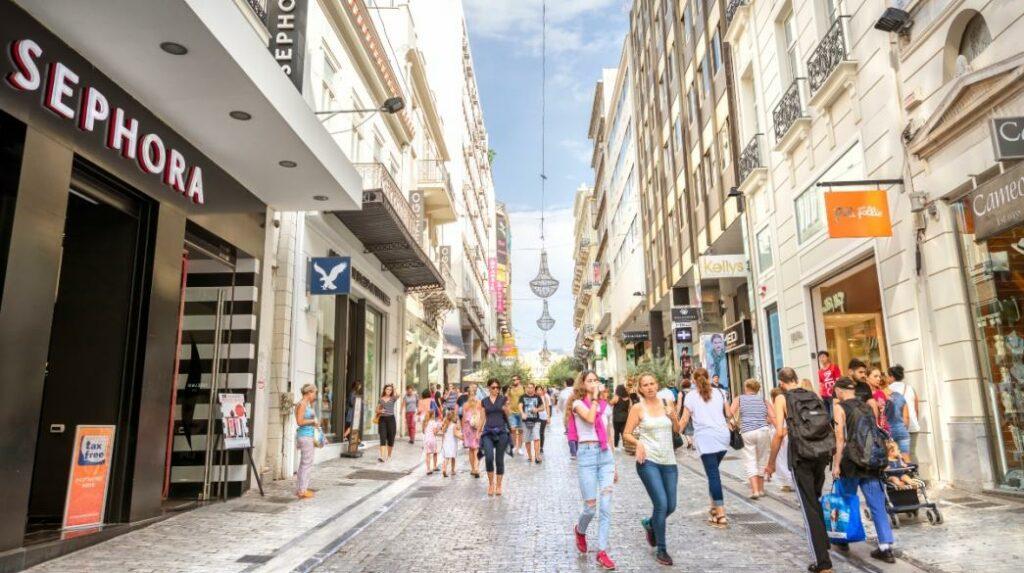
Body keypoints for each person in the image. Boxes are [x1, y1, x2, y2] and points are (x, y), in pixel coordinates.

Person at [765, 367, 836, 573]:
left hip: (801, 456)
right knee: (815, 500)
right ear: (795, 378)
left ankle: (823, 563)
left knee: (808, 508)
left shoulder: (782, 398)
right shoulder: (812, 394)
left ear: (781, 383)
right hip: (820, 454)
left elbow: (779, 433)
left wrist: (771, 462)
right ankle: (824, 543)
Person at [832, 377, 897, 564]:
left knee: (844, 500)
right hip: (870, 461)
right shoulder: (868, 406)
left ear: (840, 390)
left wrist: (836, 464)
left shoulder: (839, 407)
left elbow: (840, 438)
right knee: (877, 505)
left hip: (851, 462)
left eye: (836, 391)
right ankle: (885, 547)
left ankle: (843, 540)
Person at [622, 372, 680, 566]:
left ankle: (650, 523)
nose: (649, 387)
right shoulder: (638, 408)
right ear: (640, 389)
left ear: (657, 385)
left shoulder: (666, 403)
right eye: (645, 385)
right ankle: (662, 549)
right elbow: (627, 433)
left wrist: (674, 417)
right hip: (648, 461)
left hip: (669, 461)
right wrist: (638, 443)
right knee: (661, 504)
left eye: (652, 383)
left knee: (671, 506)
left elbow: (677, 430)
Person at [568, 370, 617, 570]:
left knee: (606, 506)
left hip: (605, 457)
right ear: (582, 384)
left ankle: (602, 552)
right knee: (590, 507)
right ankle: (580, 530)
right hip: (587, 455)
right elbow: (589, 418)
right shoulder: (577, 404)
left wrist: (614, 464)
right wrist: (595, 399)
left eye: (596, 380)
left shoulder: (605, 407)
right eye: (590, 380)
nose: (594, 383)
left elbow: (609, 433)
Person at [678, 367, 731, 528]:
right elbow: (729, 414)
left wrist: (675, 430)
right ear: (708, 378)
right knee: (713, 473)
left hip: (705, 439)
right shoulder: (721, 392)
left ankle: (721, 514)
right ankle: (714, 508)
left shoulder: (691, 396)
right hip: (723, 436)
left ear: (693, 380)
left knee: (713, 475)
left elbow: (684, 420)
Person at [729, 378, 775, 499]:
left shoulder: (739, 399)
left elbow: (729, 414)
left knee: (750, 460)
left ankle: (755, 491)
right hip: (763, 431)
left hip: (747, 432)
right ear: (757, 389)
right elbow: (773, 416)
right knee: (762, 459)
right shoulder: (763, 400)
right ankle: (761, 489)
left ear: (746, 388)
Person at [480, 378, 511, 496]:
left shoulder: (503, 399)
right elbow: (482, 417)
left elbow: (508, 415)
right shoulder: (484, 401)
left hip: (501, 432)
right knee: (488, 457)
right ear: (489, 388)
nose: (496, 390)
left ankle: (498, 485)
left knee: (499, 459)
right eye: (493, 387)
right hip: (488, 432)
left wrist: (506, 409)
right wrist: (478, 431)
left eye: (498, 388)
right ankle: (491, 484)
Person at [295, 383, 320, 499]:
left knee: (303, 464)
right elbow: (299, 422)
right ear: (309, 392)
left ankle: (300, 489)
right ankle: (302, 491)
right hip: (305, 436)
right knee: (306, 464)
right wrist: (313, 421)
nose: (315, 395)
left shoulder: (305, 403)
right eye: (314, 393)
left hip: (306, 435)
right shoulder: (303, 404)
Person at [768, 386, 794, 492]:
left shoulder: (776, 406)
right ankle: (789, 480)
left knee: (780, 459)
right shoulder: (788, 404)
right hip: (786, 434)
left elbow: (774, 422)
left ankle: (786, 482)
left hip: (779, 434)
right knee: (787, 457)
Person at [881, 375, 911, 461]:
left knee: (891, 460)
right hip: (902, 430)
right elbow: (906, 417)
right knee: (906, 458)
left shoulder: (879, 397)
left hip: (888, 432)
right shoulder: (899, 396)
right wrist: (903, 428)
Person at [887, 365, 920, 434]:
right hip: (913, 426)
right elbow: (916, 408)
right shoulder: (910, 388)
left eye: (888, 376)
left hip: (898, 429)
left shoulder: (888, 389)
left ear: (892, 377)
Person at [520, 382, 544, 464]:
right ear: (526, 388)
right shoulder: (522, 397)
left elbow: (542, 407)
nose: (530, 389)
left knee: (536, 438)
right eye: (528, 387)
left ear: (534, 388)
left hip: (536, 421)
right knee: (527, 440)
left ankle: (537, 456)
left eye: (531, 387)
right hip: (525, 421)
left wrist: (537, 409)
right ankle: (530, 456)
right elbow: (520, 405)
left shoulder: (537, 397)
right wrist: (522, 413)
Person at [612, 378, 638, 449]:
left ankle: (616, 446)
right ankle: (625, 445)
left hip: (616, 418)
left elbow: (611, 403)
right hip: (625, 417)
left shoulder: (617, 397)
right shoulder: (628, 398)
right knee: (624, 432)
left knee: (616, 432)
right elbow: (630, 407)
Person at [376, 384, 398, 463]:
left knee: (391, 438)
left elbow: (398, 394)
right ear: (384, 390)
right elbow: (376, 410)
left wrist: (394, 388)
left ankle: (389, 456)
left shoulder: (393, 398)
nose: (388, 391)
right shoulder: (381, 399)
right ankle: (382, 457)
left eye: (390, 390)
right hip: (382, 420)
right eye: (387, 389)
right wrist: (380, 411)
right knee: (382, 437)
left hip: (391, 420)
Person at [462, 396, 483, 477]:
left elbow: (464, 422)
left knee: (471, 450)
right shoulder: (478, 411)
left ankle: (473, 469)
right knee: (476, 450)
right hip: (475, 432)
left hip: (469, 433)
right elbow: (480, 422)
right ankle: (476, 468)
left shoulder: (467, 411)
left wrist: (463, 433)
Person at [817, 350, 841, 418]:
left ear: (827, 357)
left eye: (823, 357)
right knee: (827, 415)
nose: (822, 359)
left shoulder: (834, 367)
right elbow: (821, 383)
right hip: (824, 395)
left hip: (833, 395)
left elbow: (838, 380)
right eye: (820, 357)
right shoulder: (820, 371)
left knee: (834, 415)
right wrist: (820, 394)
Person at [507, 375, 526, 455]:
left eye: (515, 379)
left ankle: (520, 448)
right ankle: (515, 446)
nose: (513, 381)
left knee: (521, 430)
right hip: (512, 412)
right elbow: (507, 399)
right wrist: (508, 409)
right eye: (513, 380)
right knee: (513, 430)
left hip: (521, 412)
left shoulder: (523, 388)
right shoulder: (510, 389)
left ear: (519, 380)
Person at [440, 410, 461, 477]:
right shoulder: (454, 425)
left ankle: (444, 469)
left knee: (446, 457)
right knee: (453, 457)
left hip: (446, 443)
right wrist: (458, 420)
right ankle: (452, 470)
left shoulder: (446, 425)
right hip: (452, 443)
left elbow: (442, 432)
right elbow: (457, 430)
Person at [422, 410, 440, 475]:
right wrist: (438, 429)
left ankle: (428, 469)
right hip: (432, 440)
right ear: (432, 415)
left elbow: (423, 432)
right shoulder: (434, 422)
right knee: (435, 453)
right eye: (434, 414)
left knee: (428, 454)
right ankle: (434, 466)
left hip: (426, 440)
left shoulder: (425, 422)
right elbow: (435, 432)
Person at [538, 384, 552, 453]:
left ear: (542, 391)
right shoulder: (534, 397)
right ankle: (537, 446)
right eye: (537, 390)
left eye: (540, 390)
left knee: (541, 432)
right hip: (536, 417)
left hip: (543, 416)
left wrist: (548, 417)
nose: (539, 391)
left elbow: (547, 407)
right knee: (536, 432)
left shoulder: (545, 397)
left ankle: (541, 447)